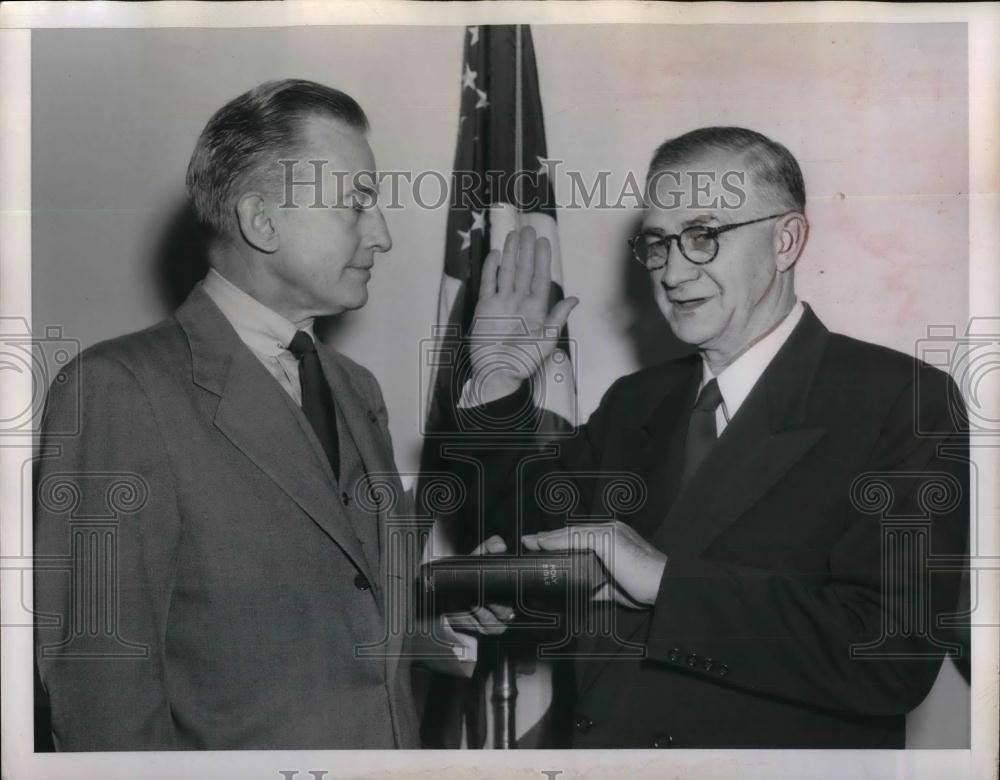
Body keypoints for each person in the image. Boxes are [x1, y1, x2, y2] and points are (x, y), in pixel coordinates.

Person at [452, 127, 969, 748]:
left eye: (702, 237)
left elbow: (892, 654)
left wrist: (667, 583)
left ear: (786, 240)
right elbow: (526, 526)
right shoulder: (634, 403)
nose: (671, 272)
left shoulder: (900, 400)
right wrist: (499, 387)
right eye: (658, 244)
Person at [33, 79, 505, 751]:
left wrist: (443, 603)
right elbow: (99, 686)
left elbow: (334, 612)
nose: (384, 234)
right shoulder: (118, 389)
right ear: (262, 220)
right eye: (357, 204)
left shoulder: (354, 387)